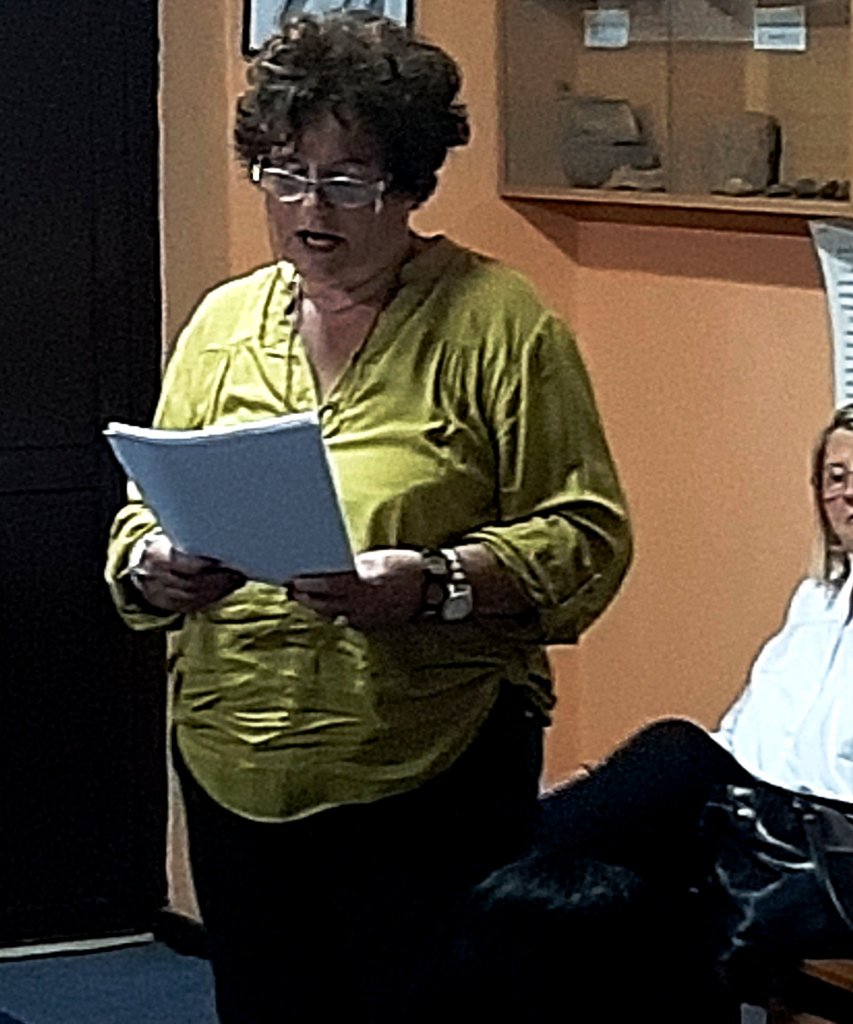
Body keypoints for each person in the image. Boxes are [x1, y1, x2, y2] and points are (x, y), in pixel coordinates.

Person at [104, 12, 631, 1024]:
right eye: (285, 175)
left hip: (424, 766)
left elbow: (586, 536)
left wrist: (432, 586)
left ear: (412, 185)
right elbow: (141, 513)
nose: (310, 208)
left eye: (348, 183)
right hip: (232, 753)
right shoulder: (222, 323)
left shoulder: (499, 321)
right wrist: (153, 568)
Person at [463, 399, 853, 1012]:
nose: (852, 491)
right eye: (835, 477)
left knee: (670, 752)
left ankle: (485, 850)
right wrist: (611, 789)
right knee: (557, 894)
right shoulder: (817, 601)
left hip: (848, 852)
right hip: (751, 831)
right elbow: (741, 737)